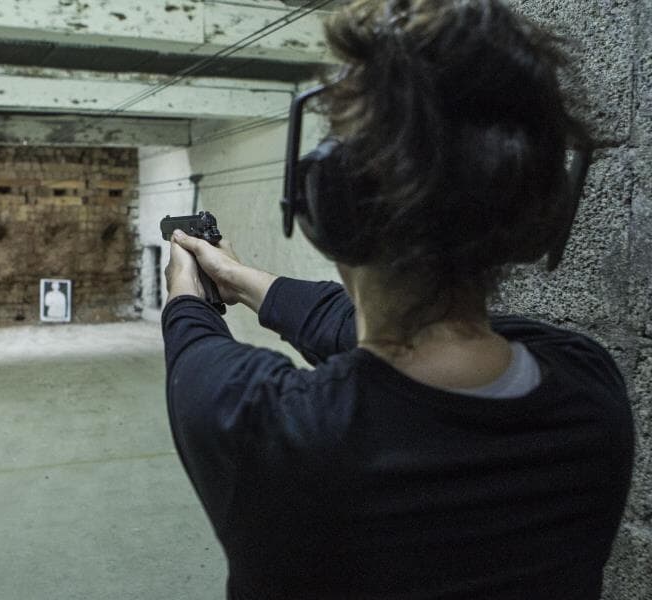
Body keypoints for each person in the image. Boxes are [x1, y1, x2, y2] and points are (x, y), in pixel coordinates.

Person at [161, 1, 634, 598]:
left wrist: (188, 280)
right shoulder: (589, 387)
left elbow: (193, 340)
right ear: (534, 214)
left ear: (328, 205)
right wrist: (236, 274)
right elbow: (353, 325)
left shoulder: (272, 432)